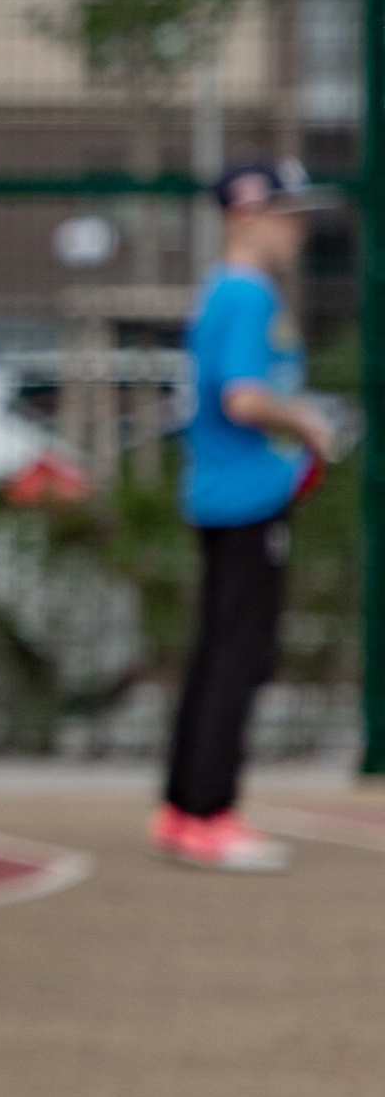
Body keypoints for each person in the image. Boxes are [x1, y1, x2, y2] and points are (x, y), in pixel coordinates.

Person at [152, 155, 338, 875]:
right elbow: (242, 398)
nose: (297, 229)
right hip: (246, 500)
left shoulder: (225, 290)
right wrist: (309, 424)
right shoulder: (248, 293)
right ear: (245, 215)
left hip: (229, 497)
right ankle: (209, 813)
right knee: (239, 657)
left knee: (216, 653)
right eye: (284, 215)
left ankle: (184, 809)